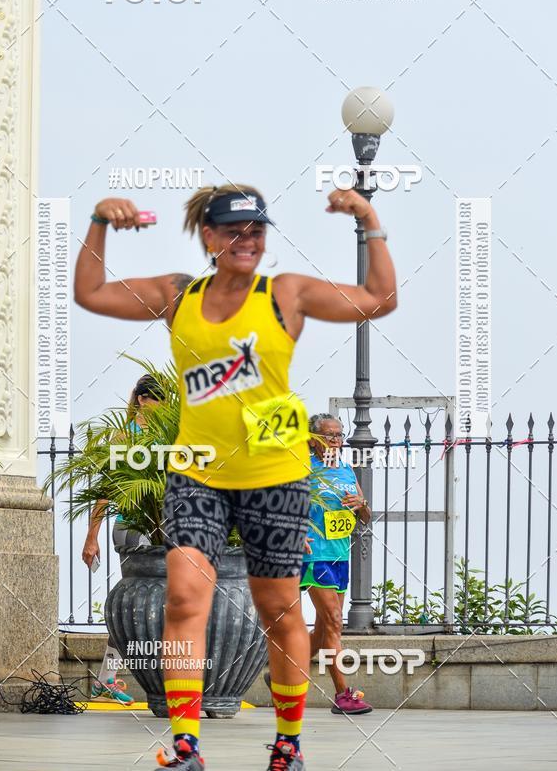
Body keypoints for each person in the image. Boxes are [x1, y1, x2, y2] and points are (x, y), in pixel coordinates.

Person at [73, 184, 397, 770]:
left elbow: (379, 297)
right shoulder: (179, 295)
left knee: (277, 609)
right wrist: (98, 222)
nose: (246, 241)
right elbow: (90, 292)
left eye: (256, 231)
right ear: (209, 236)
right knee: (182, 597)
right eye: (232, 230)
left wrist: (370, 217)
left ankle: (288, 744)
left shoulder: (286, 294)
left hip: (273, 477)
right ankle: (186, 746)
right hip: (198, 475)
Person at [81, 373, 165, 705]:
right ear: (143, 399)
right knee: (136, 607)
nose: (165, 404)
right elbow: (105, 490)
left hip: (164, 528)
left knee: (166, 605)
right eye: (158, 397)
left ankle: (107, 678)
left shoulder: (169, 435)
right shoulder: (124, 437)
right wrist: (91, 536)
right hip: (133, 527)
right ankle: (107, 677)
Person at [300, 413, 373, 715]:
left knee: (323, 630)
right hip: (314, 555)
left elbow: (366, 518)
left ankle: (283, 675)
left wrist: (362, 505)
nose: (335, 441)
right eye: (328, 436)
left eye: (338, 435)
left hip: (340, 554)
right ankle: (343, 694)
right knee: (333, 620)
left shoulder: (346, 469)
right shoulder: (303, 470)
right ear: (312, 440)